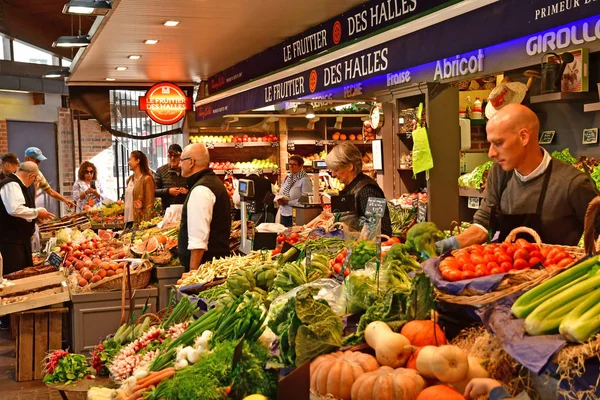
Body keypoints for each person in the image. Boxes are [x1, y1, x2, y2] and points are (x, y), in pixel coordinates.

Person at [437, 104, 599, 252]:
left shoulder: (573, 183)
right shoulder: (499, 174)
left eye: (498, 143)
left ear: (524, 137)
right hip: (508, 274)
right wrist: (446, 246)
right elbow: (482, 226)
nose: (491, 153)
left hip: (555, 278)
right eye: (490, 144)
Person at [178, 143, 231, 271]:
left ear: (191, 162)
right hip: (213, 264)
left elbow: (199, 239)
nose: (179, 164)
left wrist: (193, 273)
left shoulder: (201, 189)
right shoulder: (211, 183)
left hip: (205, 268)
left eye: (181, 160)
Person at [325, 143, 392, 236]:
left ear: (349, 166)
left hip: (364, 248)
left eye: (336, 170)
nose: (333, 175)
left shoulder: (368, 190)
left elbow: (381, 228)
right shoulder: (350, 188)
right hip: (350, 247)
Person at [0, 161, 55, 275]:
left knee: (23, 273)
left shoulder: (18, 185)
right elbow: (14, 209)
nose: (33, 183)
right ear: (31, 176)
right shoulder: (12, 185)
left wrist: (34, 217)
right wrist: (36, 212)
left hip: (18, 240)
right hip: (10, 242)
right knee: (14, 275)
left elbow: (20, 210)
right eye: (34, 180)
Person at [277, 155, 312, 227]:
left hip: (296, 215)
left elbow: (306, 200)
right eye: (290, 164)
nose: (291, 166)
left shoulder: (304, 180)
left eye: (294, 165)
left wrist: (288, 202)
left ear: (301, 166)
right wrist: (279, 199)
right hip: (284, 214)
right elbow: (282, 193)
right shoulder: (287, 178)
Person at [154, 143, 188, 211]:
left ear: (181, 156)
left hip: (185, 209)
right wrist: (168, 191)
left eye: (175, 156)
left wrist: (187, 191)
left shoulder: (187, 169)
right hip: (167, 211)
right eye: (170, 156)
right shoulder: (161, 170)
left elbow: (194, 187)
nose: (172, 158)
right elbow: (154, 191)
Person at [125, 150, 155, 224]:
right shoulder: (129, 180)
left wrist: (146, 224)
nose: (128, 162)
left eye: (130, 159)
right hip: (128, 220)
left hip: (140, 221)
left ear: (137, 160)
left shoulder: (147, 179)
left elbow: (149, 204)